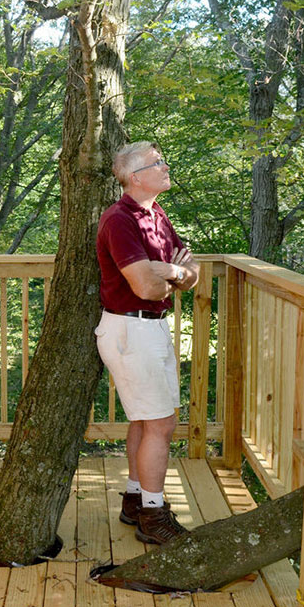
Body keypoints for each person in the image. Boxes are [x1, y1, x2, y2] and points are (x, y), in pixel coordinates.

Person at [94, 141, 199, 544]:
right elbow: (145, 288)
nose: (166, 166)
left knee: (145, 419)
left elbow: (192, 270)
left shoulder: (155, 214)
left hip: (147, 328)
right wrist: (170, 276)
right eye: (158, 163)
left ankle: (136, 501)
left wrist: (170, 270)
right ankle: (154, 519)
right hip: (131, 330)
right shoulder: (120, 220)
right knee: (161, 423)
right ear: (136, 177)